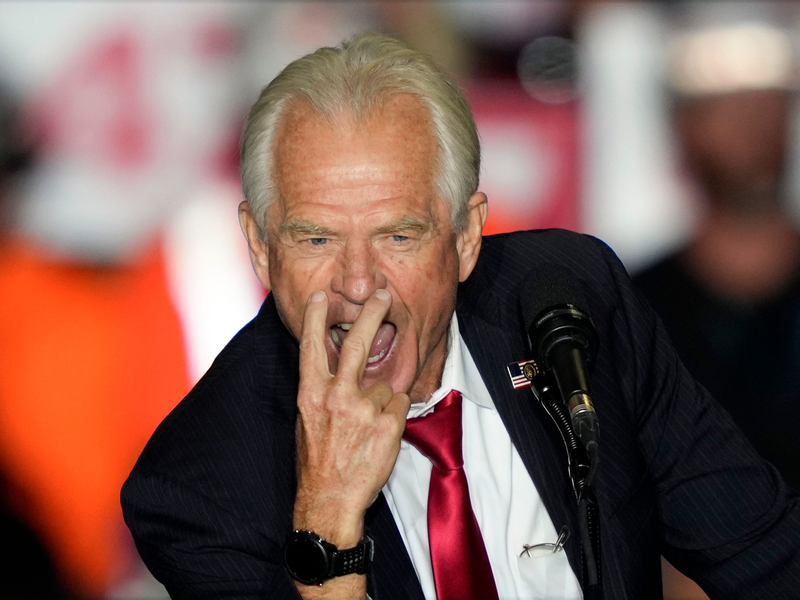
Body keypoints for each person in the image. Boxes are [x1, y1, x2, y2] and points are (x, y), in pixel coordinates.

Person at [122, 32, 800, 599]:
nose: (359, 286)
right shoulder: (196, 486)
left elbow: (766, 555)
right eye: (316, 239)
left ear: (467, 236)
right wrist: (327, 516)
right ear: (262, 251)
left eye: (398, 236)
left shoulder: (570, 300)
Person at [634, 22, 800, 491]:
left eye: (767, 101)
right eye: (723, 106)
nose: (749, 123)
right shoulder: (636, 310)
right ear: (681, 127)